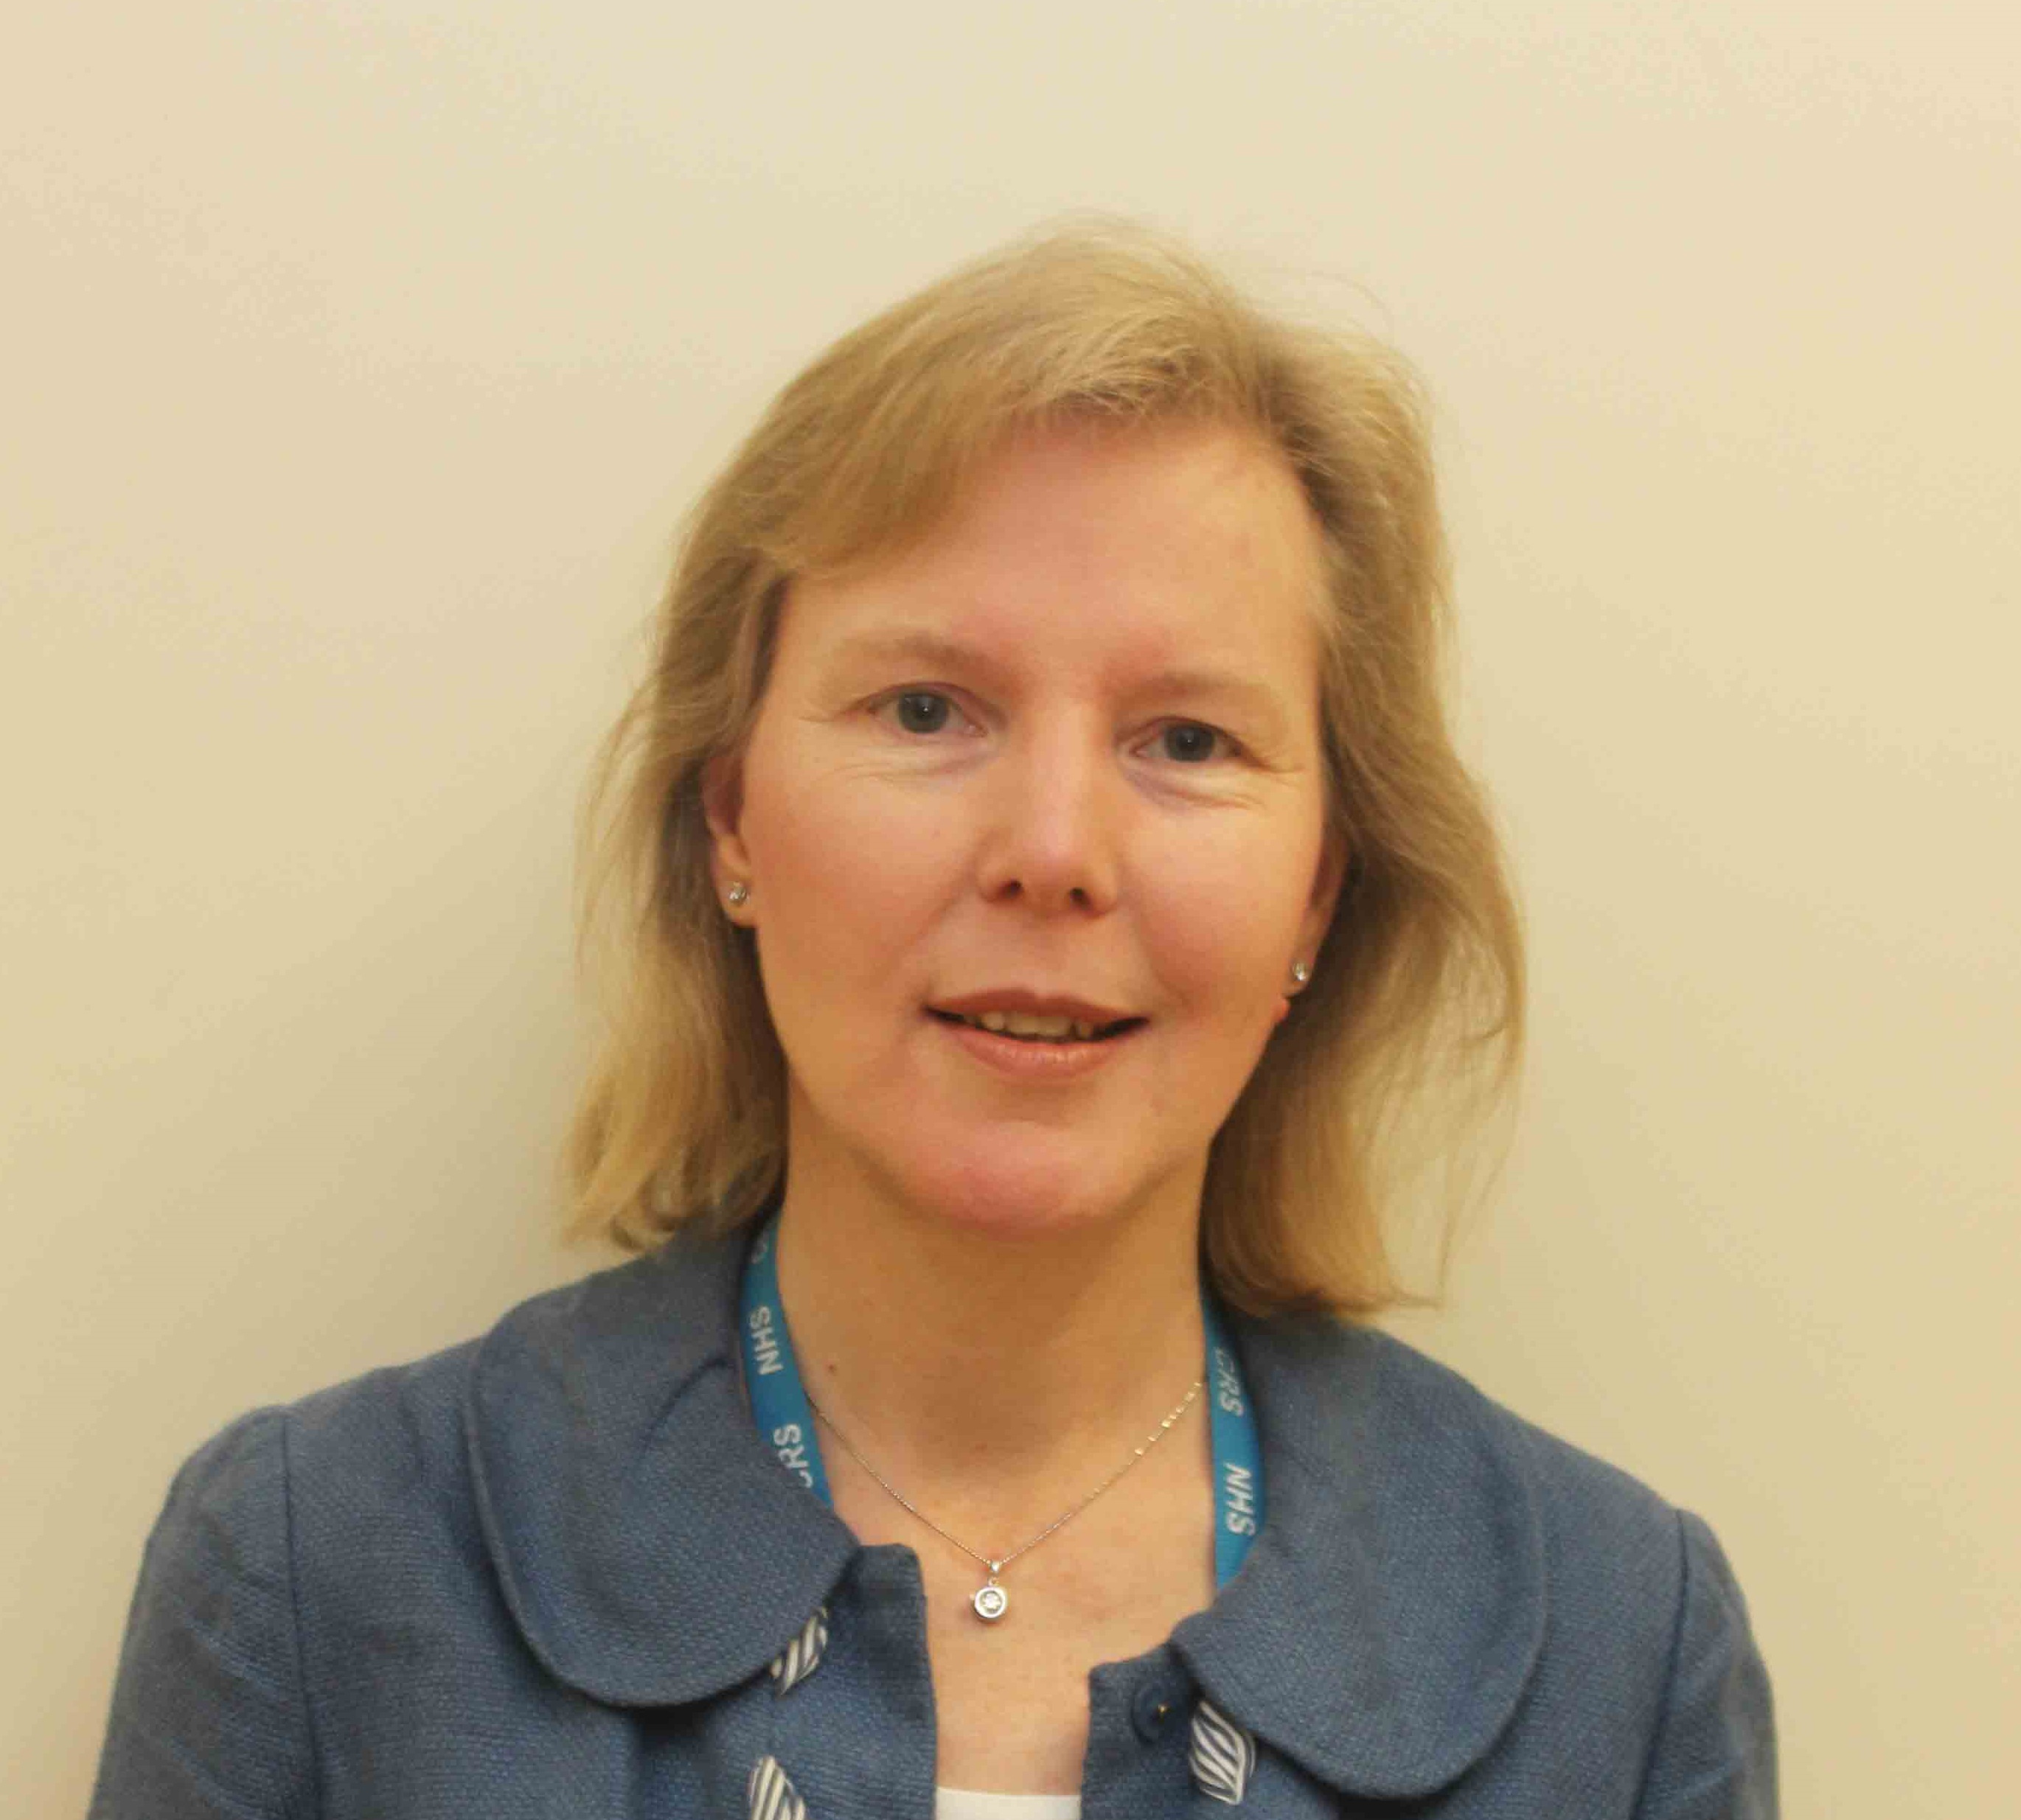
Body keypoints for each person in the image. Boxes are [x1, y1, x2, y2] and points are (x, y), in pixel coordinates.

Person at [90, 222, 1776, 1819]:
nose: (1053, 848)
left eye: (1188, 739)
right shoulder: (316, 1574)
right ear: (732, 818)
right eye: (925, 708)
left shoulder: (1620, 1650)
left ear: (1319, 894)